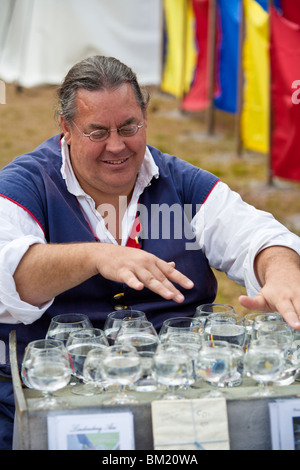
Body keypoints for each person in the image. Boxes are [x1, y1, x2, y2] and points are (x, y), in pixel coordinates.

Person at [0, 55, 300, 449]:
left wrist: (282, 272)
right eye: (97, 132)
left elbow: (256, 235)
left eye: (129, 127)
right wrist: (98, 256)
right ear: (66, 129)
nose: (116, 145)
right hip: (54, 406)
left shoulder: (181, 183)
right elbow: (10, 273)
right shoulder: (27, 185)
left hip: (179, 404)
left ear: (145, 117)